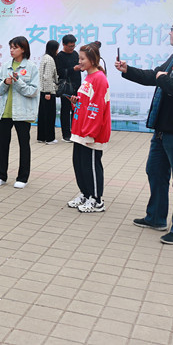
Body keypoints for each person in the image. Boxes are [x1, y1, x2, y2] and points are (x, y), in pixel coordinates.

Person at [115, 12, 173, 244]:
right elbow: (154, 76)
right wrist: (128, 70)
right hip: (163, 128)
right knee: (155, 172)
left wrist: (163, 78)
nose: (169, 32)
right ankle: (156, 217)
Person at [66, 43, 111, 212]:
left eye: (82, 59)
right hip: (80, 129)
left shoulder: (99, 78)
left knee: (90, 165)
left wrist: (90, 132)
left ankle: (97, 200)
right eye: (79, 58)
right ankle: (85, 194)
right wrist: (75, 103)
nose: (79, 62)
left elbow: (97, 107)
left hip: (91, 132)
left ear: (92, 59)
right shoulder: (88, 77)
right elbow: (86, 103)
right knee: (79, 164)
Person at [0, 36, 39, 188]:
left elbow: (33, 91)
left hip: (23, 113)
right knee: (2, 144)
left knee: (24, 145)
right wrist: (5, 82)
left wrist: (18, 81)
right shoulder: (6, 66)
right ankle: (0, 175)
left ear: (23, 49)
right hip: (5, 112)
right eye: (11, 47)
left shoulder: (31, 67)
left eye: (15, 47)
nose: (12, 50)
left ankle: (22, 178)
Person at [56, 34, 81, 143]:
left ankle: (75, 132)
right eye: (70, 46)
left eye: (74, 46)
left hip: (77, 85)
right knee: (65, 110)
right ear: (64, 44)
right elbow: (60, 72)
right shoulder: (60, 56)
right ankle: (66, 134)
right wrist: (73, 69)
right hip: (66, 87)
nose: (72, 48)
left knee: (76, 110)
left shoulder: (75, 54)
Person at [37, 40, 59, 144]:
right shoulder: (50, 59)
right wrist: (48, 92)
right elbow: (48, 77)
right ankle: (50, 138)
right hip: (48, 91)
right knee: (50, 115)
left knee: (42, 115)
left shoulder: (44, 57)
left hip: (43, 90)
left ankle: (41, 137)